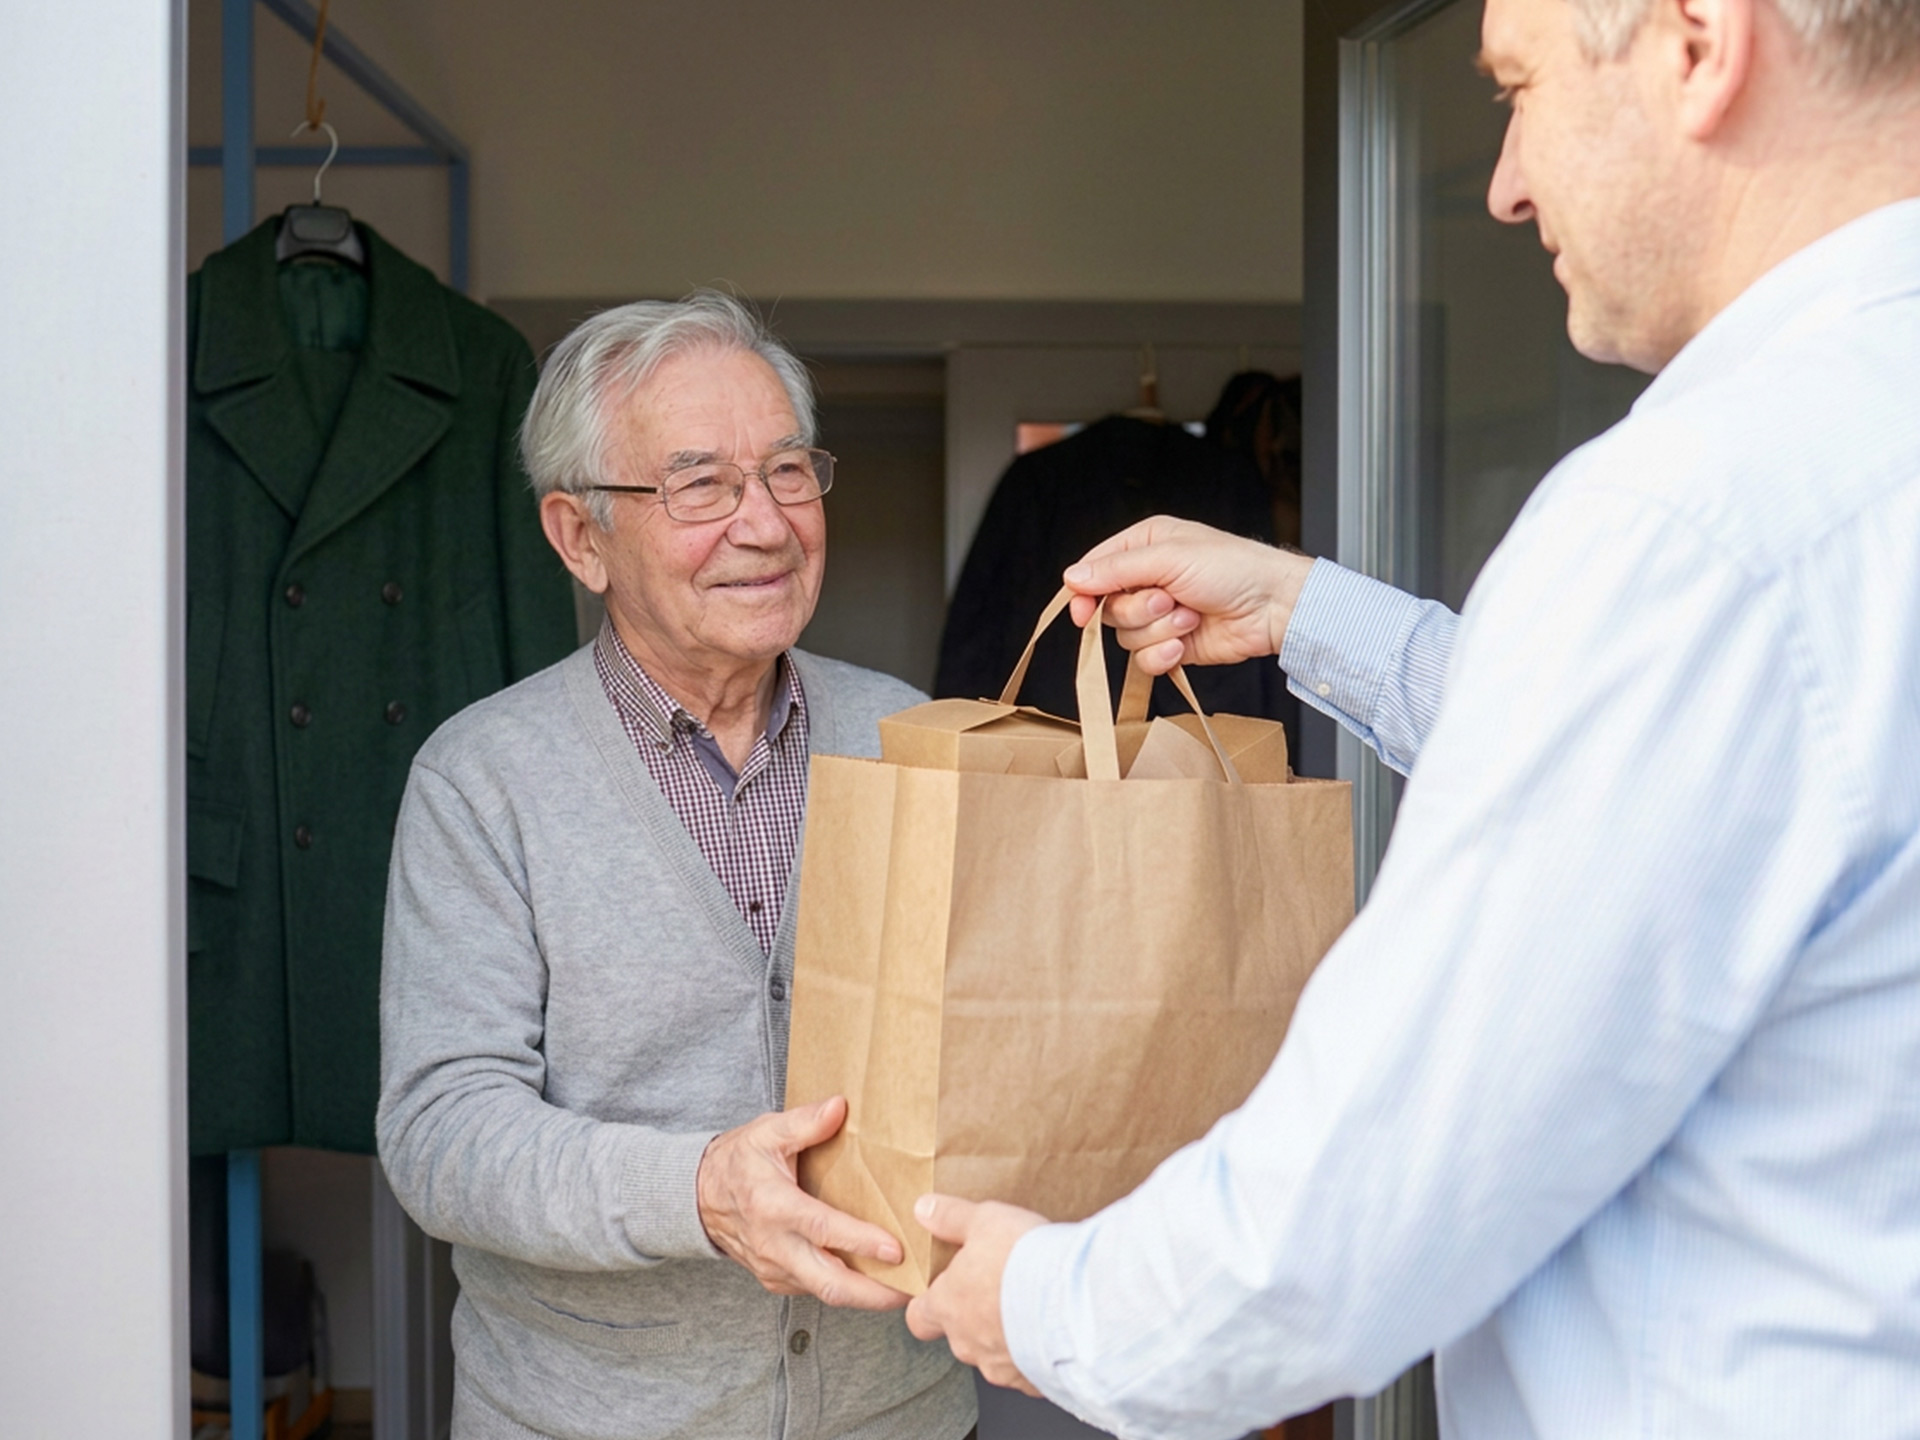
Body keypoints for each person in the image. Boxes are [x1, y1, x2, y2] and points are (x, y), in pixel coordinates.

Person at [903, 0, 1920, 1432]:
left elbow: (1344, 1225)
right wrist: (1309, 610)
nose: (1505, 182)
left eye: (1519, 87)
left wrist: (1038, 1301)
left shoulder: (1688, 526)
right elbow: (1696, 791)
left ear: (1700, 42)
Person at [377, 293, 975, 1440]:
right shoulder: (483, 781)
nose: (765, 525)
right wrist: (699, 1192)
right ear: (580, 536)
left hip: (896, 1412)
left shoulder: (913, 735)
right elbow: (443, 1134)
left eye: (789, 472)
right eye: (700, 485)